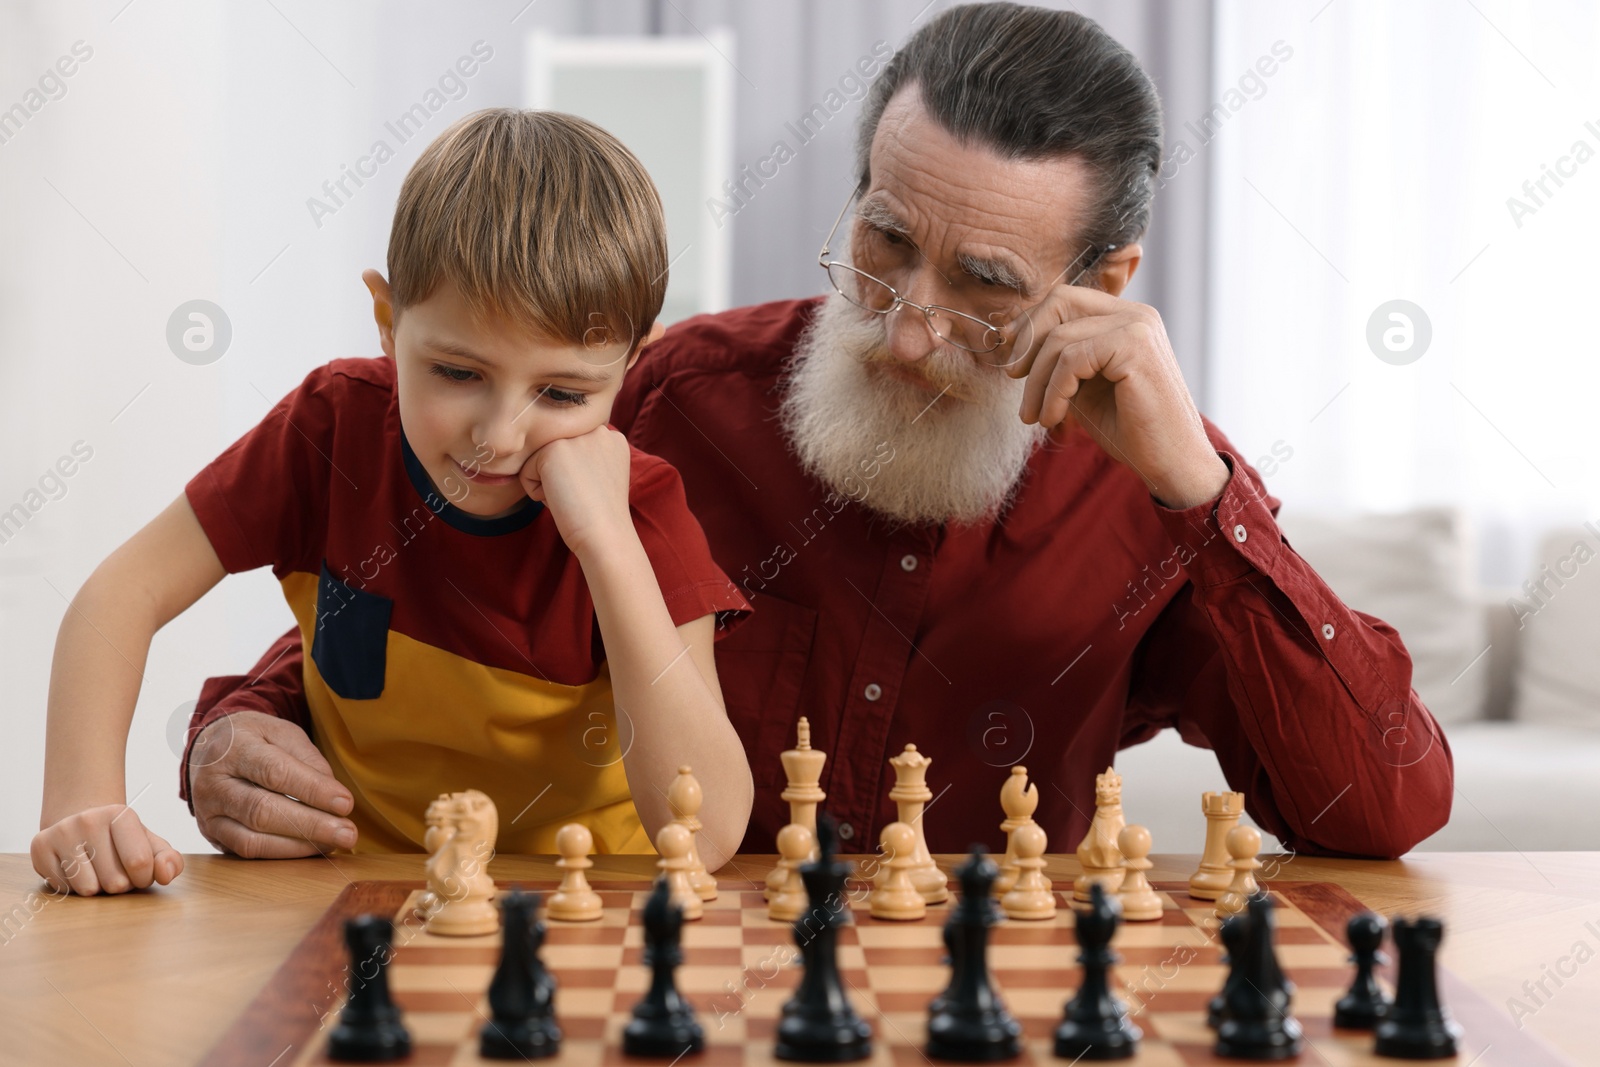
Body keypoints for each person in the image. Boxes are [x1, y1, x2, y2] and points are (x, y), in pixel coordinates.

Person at [184, 3, 1453, 862]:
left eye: (987, 289)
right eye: (886, 246)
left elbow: (1381, 804)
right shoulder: (670, 397)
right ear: (851, 193)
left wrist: (1200, 492)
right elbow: (424, 604)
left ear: (1103, 287)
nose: (908, 333)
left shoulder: (1153, 487)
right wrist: (246, 720)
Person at [31, 109, 754, 896]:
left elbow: (709, 829)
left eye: (561, 392)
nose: (500, 436)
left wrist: (606, 543)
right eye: (458, 373)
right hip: (353, 901)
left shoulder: (643, 512)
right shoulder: (329, 425)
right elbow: (119, 595)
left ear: (630, 365)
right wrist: (83, 801)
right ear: (387, 321)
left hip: (574, 915)